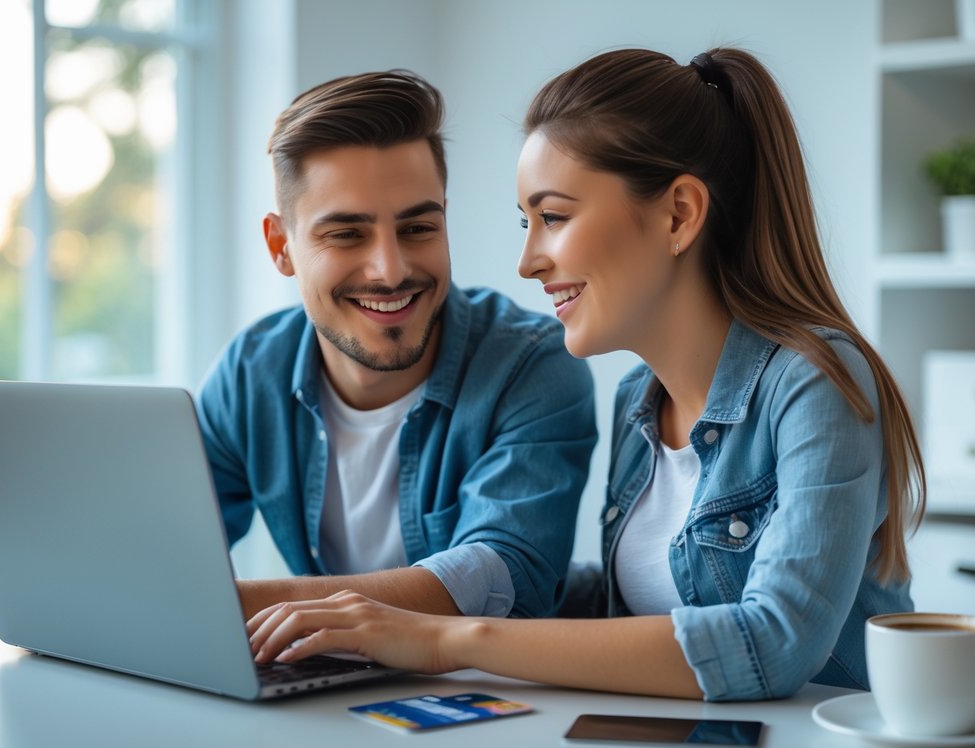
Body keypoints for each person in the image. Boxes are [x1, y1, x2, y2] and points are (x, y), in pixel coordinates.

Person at [245, 47, 927, 702]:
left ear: (678, 213)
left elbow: (775, 640)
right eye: (525, 222)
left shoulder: (815, 381)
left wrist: (446, 636)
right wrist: (497, 569)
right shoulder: (640, 401)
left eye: (552, 217)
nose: (527, 261)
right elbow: (636, 609)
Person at [197, 70, 597, 622]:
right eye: (346, 234)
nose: (390, 271)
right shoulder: (251, 371)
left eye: (417, 229)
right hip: (332, 688)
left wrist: (227, 607)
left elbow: (502, 575)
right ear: (280, 246)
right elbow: (166, 549)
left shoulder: (529, 363)